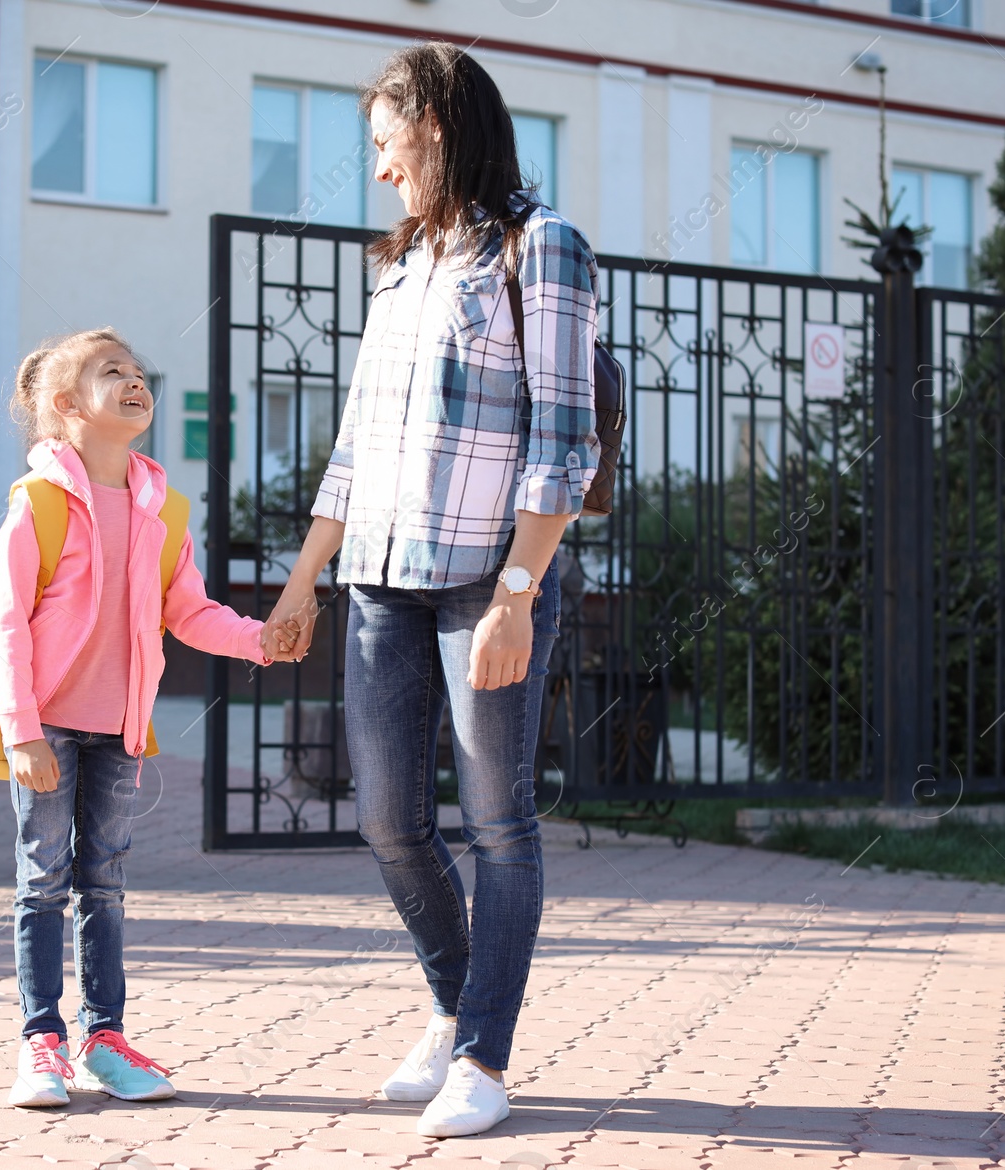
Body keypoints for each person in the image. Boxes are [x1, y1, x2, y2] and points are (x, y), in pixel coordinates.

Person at [263, 43, 601, 1138]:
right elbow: (355, 449)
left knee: (498, 821)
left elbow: (563, 437)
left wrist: (518, 589)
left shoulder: (541, 247)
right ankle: (458, 1008)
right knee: (386, 819)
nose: (376, 172)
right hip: (378, 582)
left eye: (382, 144)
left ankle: (484, 1059)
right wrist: (301, 584)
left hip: (484, 582)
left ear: (437, 129)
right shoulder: (401, 268)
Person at [0, 327, 290, 1108]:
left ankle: (105, 1040)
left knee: (105, 883)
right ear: (64, 407)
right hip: (47, 726)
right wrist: (20, 729)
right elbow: (6, 623)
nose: (133, 380)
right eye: (109, 371)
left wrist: (260, 640)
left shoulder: (162, 507)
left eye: (136, 369)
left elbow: (189, 611)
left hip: (118, 729)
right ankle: (40, 1042)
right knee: (42, 881)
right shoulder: (41, 506)